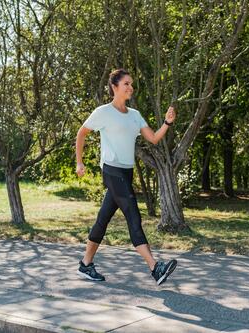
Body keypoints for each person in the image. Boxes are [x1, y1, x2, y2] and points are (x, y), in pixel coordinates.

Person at [75, 68, 177, 285]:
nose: (130, 87)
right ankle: (155, 268)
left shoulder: (134, 115)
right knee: (132, 213)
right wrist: (79, 162)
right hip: (111, 170)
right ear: (115, 87)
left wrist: (167, 123)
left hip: (126, 172)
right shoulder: (103, 112)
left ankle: (85, 264)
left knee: (103, 219)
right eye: (126, 84)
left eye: (131, 84)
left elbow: (154, 138)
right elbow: (81, 134)